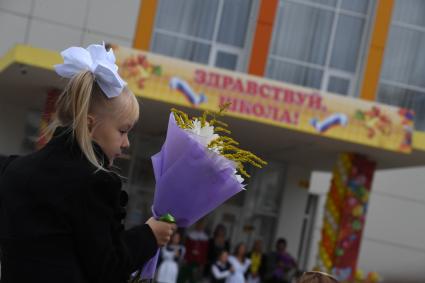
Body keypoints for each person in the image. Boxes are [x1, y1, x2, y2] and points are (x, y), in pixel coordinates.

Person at [0, 43, 176, 283]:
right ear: (90, 125)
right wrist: (149, 235)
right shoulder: (94, 183)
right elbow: (107, 267)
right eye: (123, 131)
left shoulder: (14, 169)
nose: (126, 144)